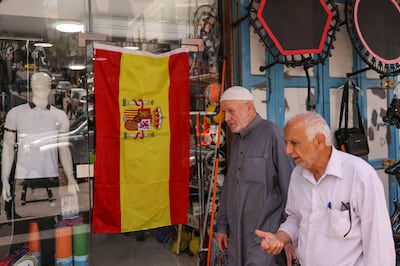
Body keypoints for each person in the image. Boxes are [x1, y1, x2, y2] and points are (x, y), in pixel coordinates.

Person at [255, 111, 396, 265]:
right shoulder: (297, 174)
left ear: (319, 141)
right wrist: (279, 238)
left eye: (294, 143)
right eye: (286, 143)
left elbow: (379, 243)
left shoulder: (359, 175)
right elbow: (295, 218)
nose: (287, 150)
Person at [215, 86, 295, 265]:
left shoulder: (273, 134)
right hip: (236, 239)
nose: (226, 118)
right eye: (224, 112)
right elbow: (229, 187)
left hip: (265, 240)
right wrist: (222, 226)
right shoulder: (236, 140)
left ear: (249, 108)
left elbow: (291, 188)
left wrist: (289, 237)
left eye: (231, 111)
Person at [1, 72, 80, 206]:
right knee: (23, 223)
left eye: (45, 84)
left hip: (51, 177)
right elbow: (8, 147)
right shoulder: (15, 114)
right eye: (37, 84)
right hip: (22, 178)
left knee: (51, 222)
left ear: (50, 87)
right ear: (31, 86)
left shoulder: (59, 116)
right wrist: (5, 180)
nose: (41, 87)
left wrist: (70, 177)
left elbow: (63, 148)